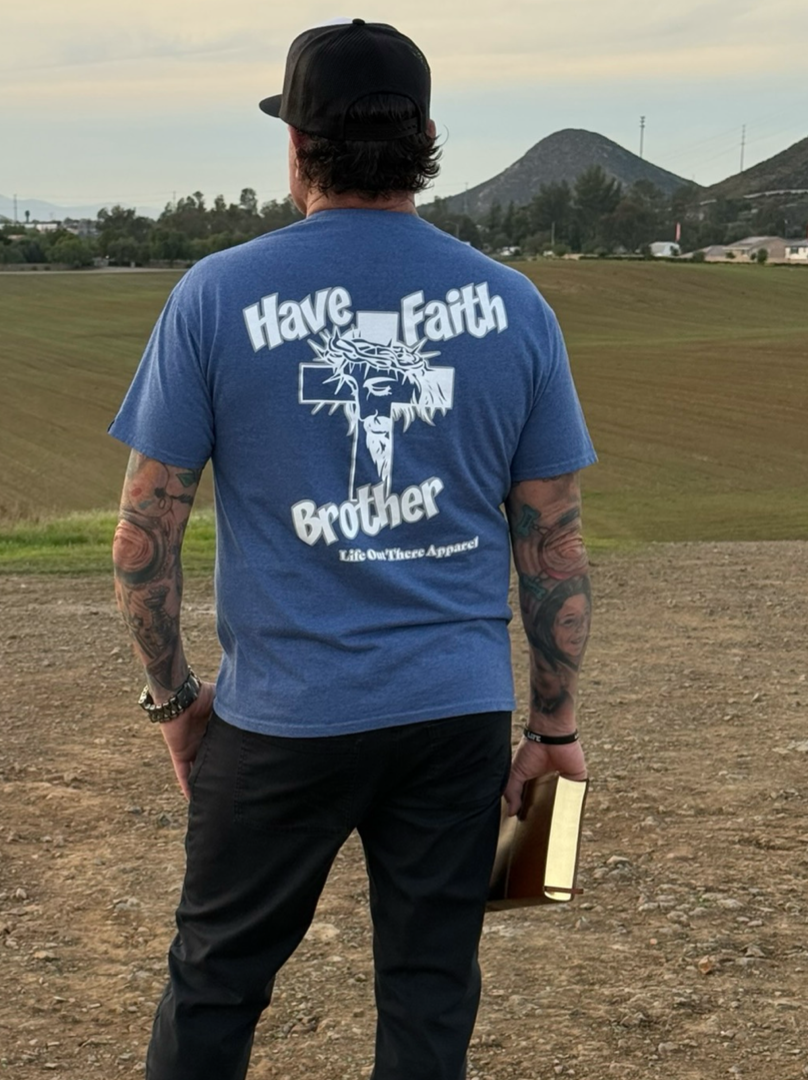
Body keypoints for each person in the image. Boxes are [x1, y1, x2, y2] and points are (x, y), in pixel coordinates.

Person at [109, 18, 595, 1080]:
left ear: (297, 148)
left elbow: (143, 534)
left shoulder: (214, 296)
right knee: (431, 996)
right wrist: (551, 725)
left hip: (279, 715)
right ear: (426, 140)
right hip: (454, 715)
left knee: (216, 984)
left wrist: (175, 699)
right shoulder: (515, 307)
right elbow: (552, 546)